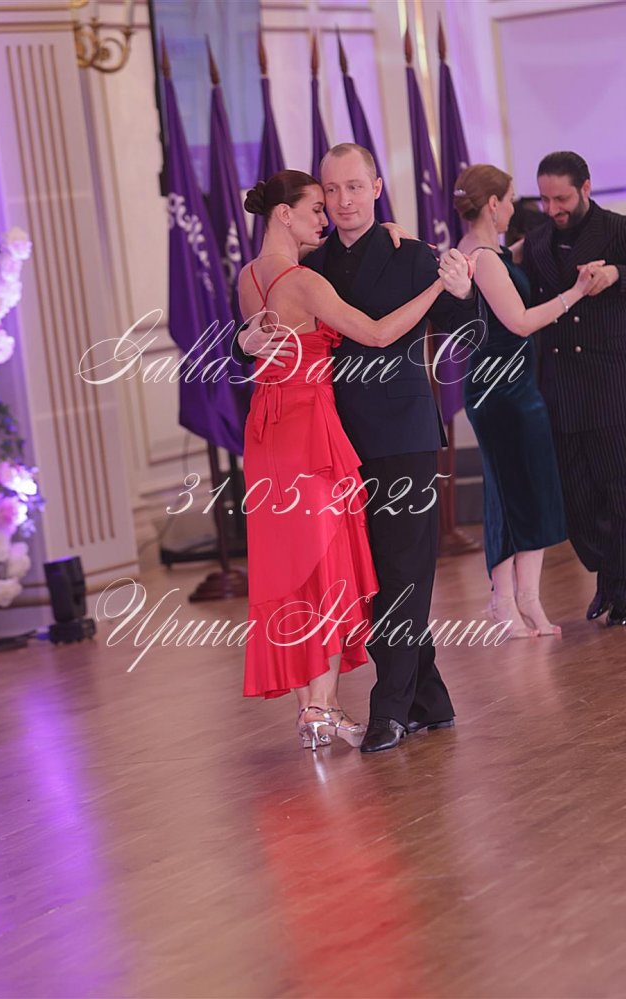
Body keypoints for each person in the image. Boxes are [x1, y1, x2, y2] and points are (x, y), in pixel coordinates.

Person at [240, 145, 476, 754]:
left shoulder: (411, 253)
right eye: (329, 191)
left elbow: (460, 322)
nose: (341, 202)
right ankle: (429, 700)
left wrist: (453, 285)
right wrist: (246, 339)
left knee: (403, 572)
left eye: (353, 188)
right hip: (330, 444)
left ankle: (390, 709)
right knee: (371, 579)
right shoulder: (312, 264)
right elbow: (273, 327)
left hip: (401, 437)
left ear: (375, 187)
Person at [453, 164, 594, 637]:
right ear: (494, 203)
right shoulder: (481, 258)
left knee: (529, 490)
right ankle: (504, 600)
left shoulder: (489, 252)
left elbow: (509, 261)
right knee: (509, 493)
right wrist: (575, 293)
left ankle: (527, 599)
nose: (515, 208)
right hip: (500, 391)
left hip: (515, 387)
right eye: (511, 199)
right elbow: (519, 322)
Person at [523, 152, 626, 627]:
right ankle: (611, 573)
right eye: (545, 199)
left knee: (622, 491)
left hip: (610, 382)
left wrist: (616, 275)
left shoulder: (620, 230)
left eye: (562, 198)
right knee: (576, 498)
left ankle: (621, 590)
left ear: (586, 188)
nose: (553, 209)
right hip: (558, 386)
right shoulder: (537, 238)